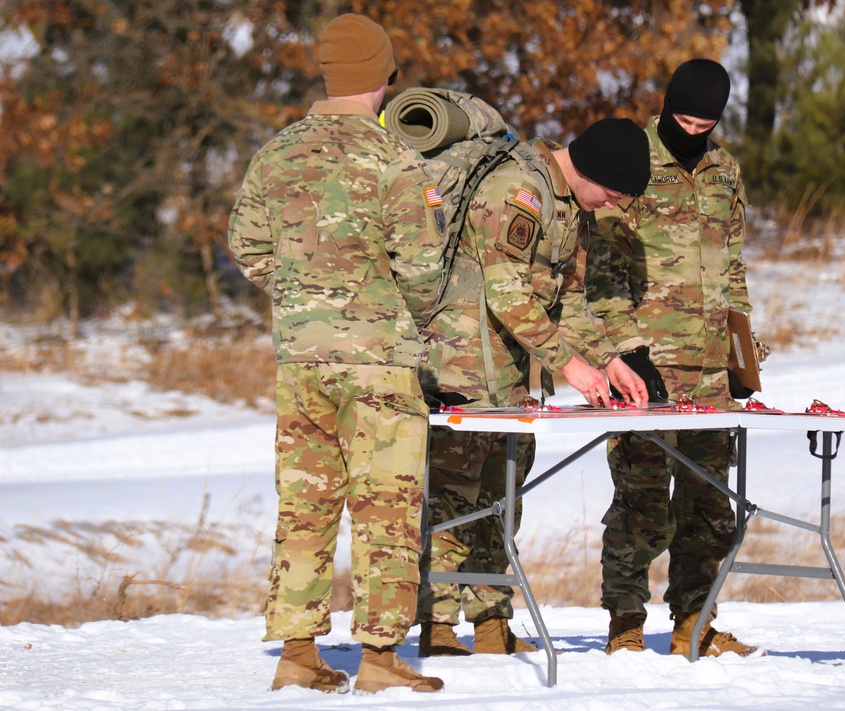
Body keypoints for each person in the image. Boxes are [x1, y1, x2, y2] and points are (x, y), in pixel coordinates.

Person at [226, 14, 444, 695]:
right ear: (385, 78)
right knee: (388, 503)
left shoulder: (276, 154)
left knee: (306, 502)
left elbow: (246, 247)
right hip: (378, 359)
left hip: (301, 360)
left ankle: (297, 652)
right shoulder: (396, 160)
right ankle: (379, 657)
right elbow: (424, 272)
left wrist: (303, 297)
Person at [412, 118, 653, 657]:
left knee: (503, 497)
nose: (609, 205)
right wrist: (572, 367)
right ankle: (439, 628)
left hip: (512, 377)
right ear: (590, 170)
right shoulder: (517, 189)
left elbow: (564, 301)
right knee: (454, 499)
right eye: (611, 193)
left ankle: (492, 623)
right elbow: (508, 294)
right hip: (461, 369)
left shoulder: (570, 206)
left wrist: (608, 360)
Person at [587, 59, 764, 659]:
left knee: (710, 506)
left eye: (705, 123)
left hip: (712, 373)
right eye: (684, 120)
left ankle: (695, 622)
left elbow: (733, 266)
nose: (693, 132)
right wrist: (625, 351)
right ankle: (626, 625)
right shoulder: (631, 159)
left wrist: (743, 354)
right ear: (666, 108)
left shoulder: (725, 170)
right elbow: (602, 277)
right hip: (646, 371)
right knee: (641, 504)